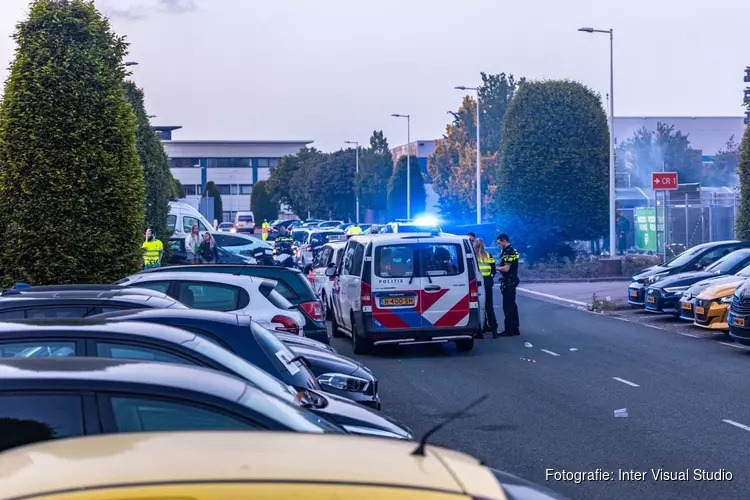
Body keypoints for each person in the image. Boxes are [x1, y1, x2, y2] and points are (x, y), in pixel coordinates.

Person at [496, 233, 520, 336]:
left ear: (504, 241)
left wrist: (494, 268)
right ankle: (515, 328)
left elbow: (506, 268)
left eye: (499, 243)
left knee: (508, 306)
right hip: (512, 280)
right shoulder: (512, 250)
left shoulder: (508, 252)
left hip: (509, 282)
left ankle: (509, 330)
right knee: (512, 305)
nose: (499, 245)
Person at [474, 238, 498, 339]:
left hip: (477, 282)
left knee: (478, 307)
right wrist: (491, 278)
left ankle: (480, 332)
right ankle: (494, 331)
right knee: (489, 306)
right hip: (487, 282)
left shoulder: (473, 256)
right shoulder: (489, 255)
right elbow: (493, 269)